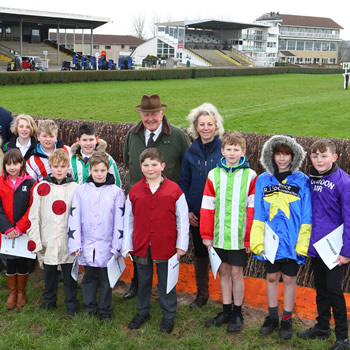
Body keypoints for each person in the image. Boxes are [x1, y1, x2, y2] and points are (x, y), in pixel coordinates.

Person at [123, 94, 190, 300]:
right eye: (146, 114)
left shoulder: (178, 136)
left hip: (166, 204)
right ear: (141, 115)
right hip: (139, 200)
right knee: (140, 243)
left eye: (154, 113)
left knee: (163, 253)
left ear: (162, 113)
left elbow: (187, 168)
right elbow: (128, 162)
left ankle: (166, 295)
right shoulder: (132, 135)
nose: (150, 118)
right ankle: (136, 285)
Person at [250, 134, 312, 340]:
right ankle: (273, 316)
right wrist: (257, 241)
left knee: (290, 278)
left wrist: (302, 243)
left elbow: (306, 214)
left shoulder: (302, 180)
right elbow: (258, 212)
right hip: (271, 241)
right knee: (271, 277)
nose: (282, 159)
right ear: (272, 155)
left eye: (287, 154)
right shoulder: (262, 180)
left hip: (292, 241)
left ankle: (287, 318)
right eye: (278, 154)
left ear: (293, 156)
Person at [122, 148, 189, 334]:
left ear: (162, 166)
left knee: (166, 282)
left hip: (166, 245)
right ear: (141, 167)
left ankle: (168, 316)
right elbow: (128, 220)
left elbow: (182, 220)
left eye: (154, 164)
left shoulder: (174, 190)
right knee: (143, 280)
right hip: (142, 245)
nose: (150, 168)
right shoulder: (134, 191)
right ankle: (143, 312)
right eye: (146, 165)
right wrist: (127, 244)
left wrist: (181, 245)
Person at [200, 131, 257, 332]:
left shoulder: (251, 176)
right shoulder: (213, 174)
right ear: (222, 151)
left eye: (236, 150)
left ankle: (237, 312)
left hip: (239, 238)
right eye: (228, 149)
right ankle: (225, 310)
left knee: (236, 272)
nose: (232, 153)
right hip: (218, 236)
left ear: (243, 152)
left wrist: (250, 238)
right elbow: (207, 206)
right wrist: (206, 235)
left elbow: (253, 209)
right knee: (223, 271)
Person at [297, 139, 350, 350]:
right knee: (320, 288)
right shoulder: (310, 179)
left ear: (335, 157)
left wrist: (347, 251)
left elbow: (349, 217)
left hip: (336, 249)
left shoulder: (344, 182)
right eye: (316, 156)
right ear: (310, 158)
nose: (320, 160)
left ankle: (343, 337)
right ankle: (322, 327)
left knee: (334, 290)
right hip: (316, 245)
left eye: (324, 156)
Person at [68, 152, 125, 321]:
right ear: (90, 170)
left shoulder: (116, 193)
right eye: (95, 170)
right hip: (86, 246)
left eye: (102, 170)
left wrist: (117, 247)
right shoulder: (81, 192)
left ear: (108, 170)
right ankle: (89, 308)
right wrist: (75, 244)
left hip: (107, 247)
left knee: (106, 281)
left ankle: (105, 311)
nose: (99, 174)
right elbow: (74, 219)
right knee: (89, 279)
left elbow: (119, 222)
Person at [179, 103, 224, 309]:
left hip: (221, 213)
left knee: (225, 254)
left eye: (210, 124)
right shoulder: (191, 153)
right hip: (197, 215)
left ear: (216, 126)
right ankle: (202, 294)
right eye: (202, 124)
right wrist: (187, 210)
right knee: (200, 253)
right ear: (195, 127)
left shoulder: (225, 150)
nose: (206, 128)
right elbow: (184, 184)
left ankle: (228, 299)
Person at [27, 149, 79, 317]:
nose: (59, 170)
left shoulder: (75, 188)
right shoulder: (41, 188)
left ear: (67, 167)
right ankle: (49, 301)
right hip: (48, 237)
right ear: (50, 167)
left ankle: (72, 304)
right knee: (49, 273)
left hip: (67, 240)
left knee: (69, 274)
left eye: (63, 166)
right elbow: (34, 215)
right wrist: (36, 238)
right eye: (55, 166)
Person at [0, 149, 36, 309]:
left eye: (15, 163)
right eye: (8, 164)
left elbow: (32, 207)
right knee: (10, 261)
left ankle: (21, 292)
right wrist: (7, 228)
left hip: (23, 231)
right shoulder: (0, 182)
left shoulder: (30, 183)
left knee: (22, 260)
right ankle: (12, 292)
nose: (12, 167)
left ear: (22, 163)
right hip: (6, 231)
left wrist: (20, 227)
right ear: (4, 166)